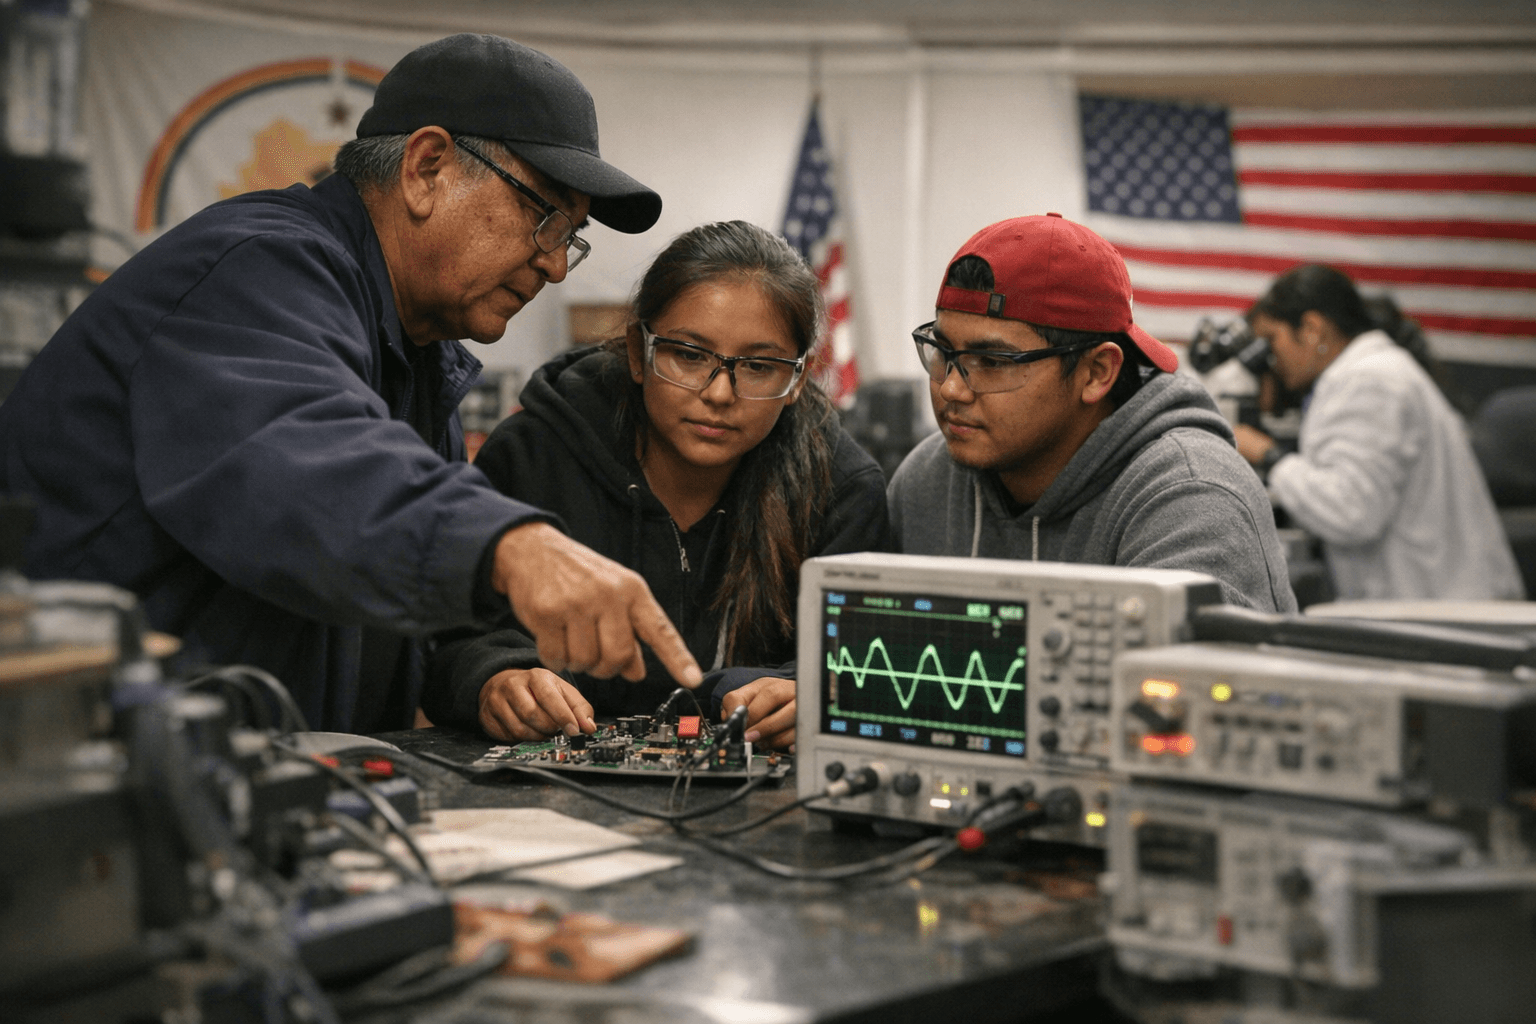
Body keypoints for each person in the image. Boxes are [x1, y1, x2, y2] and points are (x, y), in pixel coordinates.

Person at [0, 33, 704, 731]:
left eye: (570, 238)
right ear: (427, 168)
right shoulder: (254, 268)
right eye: (544, 217)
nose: (553, 265)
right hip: (82, 780)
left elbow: (395, 620)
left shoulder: (417, 358)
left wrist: (489, 675)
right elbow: (304, 459)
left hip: (228, 790)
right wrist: (510, 543)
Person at [422, 221, 890, 749]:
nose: (718, 393)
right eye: (688, 355)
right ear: (638, 351)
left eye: (759, 366)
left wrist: (807, 692)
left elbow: (865, 668)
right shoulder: (535, 453)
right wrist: (495, 678)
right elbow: (446, 642)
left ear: (798, 379)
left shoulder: (842, 491)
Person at [887, 213, 1296, 612]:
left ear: (1096, 373)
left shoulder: (1192, 501)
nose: (951, 388)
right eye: (942, 352)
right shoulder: (926, 482)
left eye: (992, 361)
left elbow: (1186, 680)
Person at [1234, 264, 1524, 601]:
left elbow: (1351, 512)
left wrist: (1267, 455)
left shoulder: (1368, 381)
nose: (1272, 358)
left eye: (1272, 339)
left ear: (1312, 329)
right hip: (1439, 602)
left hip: (1443, 611)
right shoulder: (1375, 371)